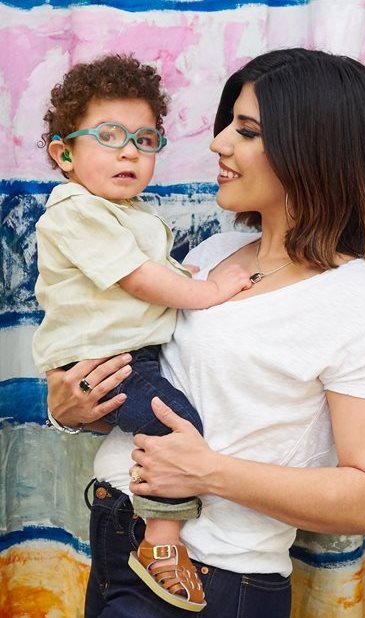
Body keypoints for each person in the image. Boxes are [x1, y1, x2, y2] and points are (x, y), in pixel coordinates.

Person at [45, 48, 365, 618]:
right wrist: (73, 408)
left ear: (312, 151)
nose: (218, 143)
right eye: (227, 126)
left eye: (245, 131)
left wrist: (207, 472)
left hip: (213, 582)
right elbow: (150, 382)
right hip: (117, 545)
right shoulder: (211, 256)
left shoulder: (362, 306)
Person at [33, 54, 252, 613]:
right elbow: (137, 276)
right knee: (177, 423)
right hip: (108, 356)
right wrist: (205, 290)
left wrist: (184, 275)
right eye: (108, 137)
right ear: (64, 154)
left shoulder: (128, 213)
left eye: (146, 139)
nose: (129, 151)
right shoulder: (75, 210)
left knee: (162, 419)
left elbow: (154, 270)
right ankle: (162, 544)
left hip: (128, 355)